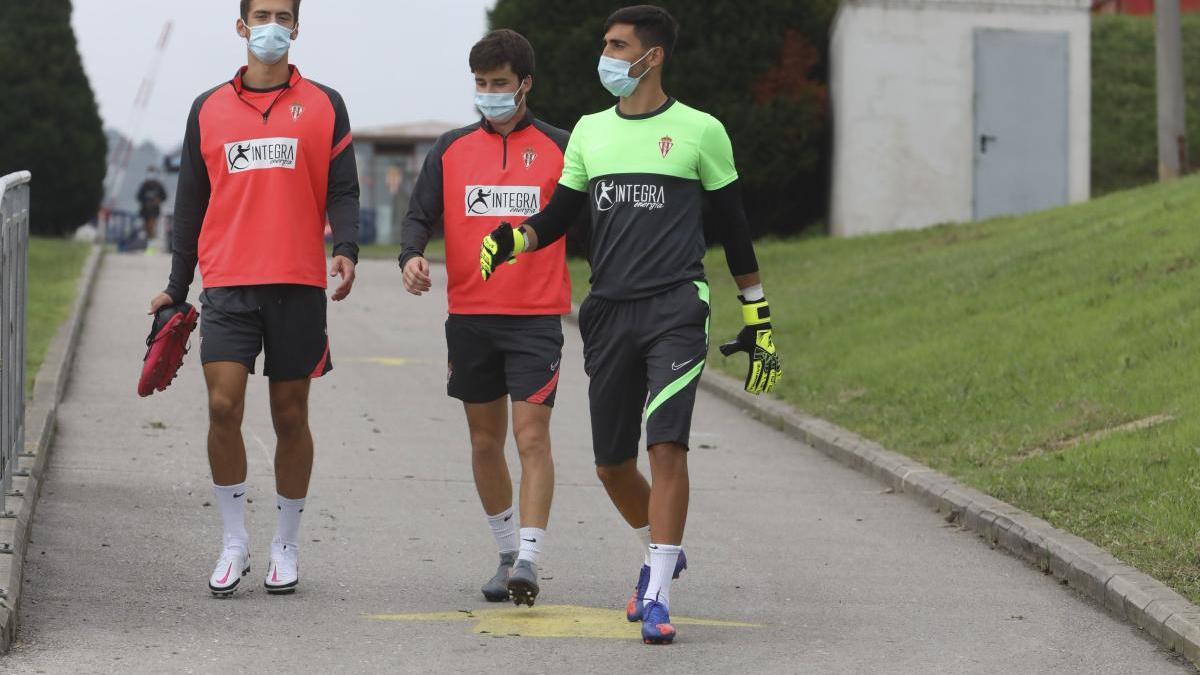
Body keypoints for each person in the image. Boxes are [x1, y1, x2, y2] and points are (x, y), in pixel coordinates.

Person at [479, 5, 782, 644]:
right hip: (607, 313)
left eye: (619, 47)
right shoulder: (591, 131)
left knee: (666, 445)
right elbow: (559, 215)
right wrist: (515, 239)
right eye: (606, 46)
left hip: (676, 307)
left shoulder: (702, 131)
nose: (608, 57)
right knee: (613, 465)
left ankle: (659, 596)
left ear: (653, 56)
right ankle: (660, 550)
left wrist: (757, 313)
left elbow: (734, 229)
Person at [147, 0, 360, 597]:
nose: (272, 25)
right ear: (241, 26)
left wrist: (346, 246)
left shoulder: (325, 104)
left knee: (290, 416)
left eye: (283, 16)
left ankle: (285, 545)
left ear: (296, 26)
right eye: (261, 14)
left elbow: (342, 188)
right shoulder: (207, 108)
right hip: (228, 282)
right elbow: (190, 202)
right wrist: (176, 285)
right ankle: (235, 541)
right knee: (222, 407)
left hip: (297, 282)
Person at [399, 29, 574, 607]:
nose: (489, 93)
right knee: (483, 441)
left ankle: (529, 558)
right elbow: (418, 217)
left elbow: (592, 226)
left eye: (500, 84)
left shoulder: (561, 147)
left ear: (524, 84)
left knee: (532, 437)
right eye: (481, 84)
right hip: (469, 317)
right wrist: (412, 257)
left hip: (535, 318)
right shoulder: (450, 149)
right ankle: (504, 553)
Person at [136, 166, 168, 253]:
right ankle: (150, 246)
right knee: (147, 229)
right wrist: (145, 202)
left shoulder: (158, 186)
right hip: (145, 211)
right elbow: (138, 197)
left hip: (155, 211)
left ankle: (152, 248)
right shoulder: (144, 185)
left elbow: (164, 196)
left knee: (152, 227)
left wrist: (158, 200)